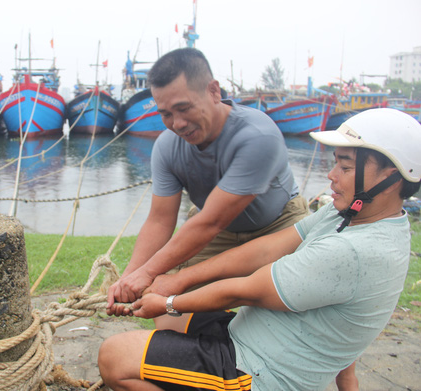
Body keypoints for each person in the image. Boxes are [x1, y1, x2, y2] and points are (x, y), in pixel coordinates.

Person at [98, 107, 421, 391]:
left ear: (390, 177)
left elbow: (244, 291)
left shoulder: (355, 250)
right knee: (169, 322)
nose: (332, 176)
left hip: (261, 372)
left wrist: (168, 300)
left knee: (116, 355)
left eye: (346, 168)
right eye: (336, 164)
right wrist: (178, 279)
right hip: (250, 337)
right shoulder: (345, 215)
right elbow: (266, 249)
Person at [106, 47, 308, 322]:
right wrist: (130, 278)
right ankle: (201, 357)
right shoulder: (166, 148)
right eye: (165, 114)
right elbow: (159, 221)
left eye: (184, 108)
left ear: (214, 91)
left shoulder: (258, 136)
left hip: (277, 223)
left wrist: (148, 272)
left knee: (308, 304)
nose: (177, 123)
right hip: (218, 232)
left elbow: (210, 221)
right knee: (167, 311)